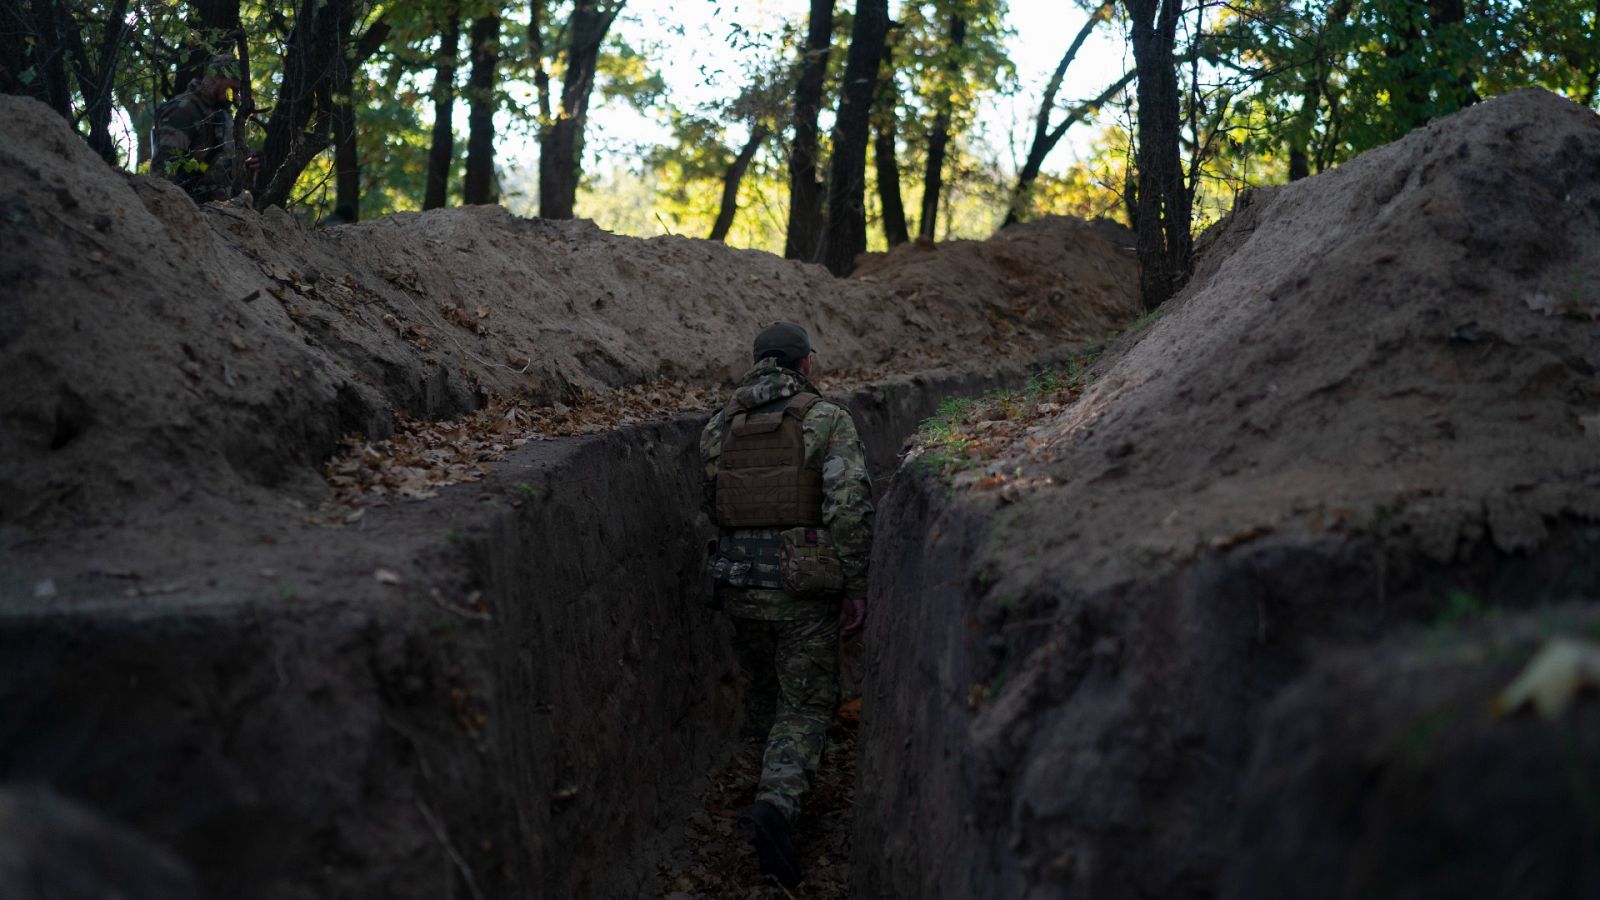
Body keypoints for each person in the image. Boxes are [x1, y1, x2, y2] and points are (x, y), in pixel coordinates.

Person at [699, 320, 873, 886]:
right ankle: (776, 807)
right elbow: (848, 508)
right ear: (805, 365)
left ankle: (750, 793)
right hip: (803, 590)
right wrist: (855, 585)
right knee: (804, 706)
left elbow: (713, 503)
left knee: (764, 696)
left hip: (739, 583)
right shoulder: (826, 419)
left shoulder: (718, 426)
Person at [150, 54, 260, 203]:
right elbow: (163, 177)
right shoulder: (184, 111)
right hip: (186, 210)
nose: (235, 98)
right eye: (231, 90)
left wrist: (245, 168)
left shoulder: (223, 117)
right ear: (214, 79)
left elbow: (223, 177)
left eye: (237, 92)